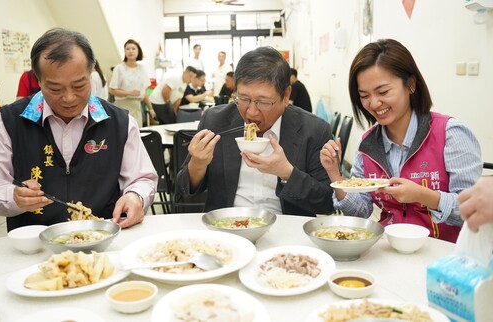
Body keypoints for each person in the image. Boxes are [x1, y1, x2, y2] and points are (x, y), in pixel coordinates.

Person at [0, 28, 158, 231]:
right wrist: (12, 196)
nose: (69, 98)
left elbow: (142, 177)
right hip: (35, 246)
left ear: (91, 74)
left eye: (79, 85)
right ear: (38, 81)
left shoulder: (120, 122)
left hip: (104, 243)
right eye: (55, 89)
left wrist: (135, 196)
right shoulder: (8, 122)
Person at [319, 39, 482, 243]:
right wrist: (335, 174)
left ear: (411, 85)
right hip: (389, 248)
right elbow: (360, 211)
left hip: (443, 254)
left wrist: (423, 195)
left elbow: (473, 211)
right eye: (364, 95)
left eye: (383, 92)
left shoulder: (450, 134)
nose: (374, 103)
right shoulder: (368, 145)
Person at [176, 46, 334, 216]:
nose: (251, 111)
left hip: (286, 230)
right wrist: (198, 164)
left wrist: (287, 172)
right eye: (243, 98)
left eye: (263, 101)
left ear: (286, 95)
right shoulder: (216, 121)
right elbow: (183, 191)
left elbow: (326, 203)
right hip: (226, 228)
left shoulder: (314, 130)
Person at [109, 39, 155, 127]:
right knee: (123, 134)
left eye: (133, 48)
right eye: (128, 49)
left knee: (137, 134)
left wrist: (151, 108)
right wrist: (129, 93)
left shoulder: (142, 69)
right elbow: (112, 90)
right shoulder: (119, 68)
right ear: (124, 51)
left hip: (136, 106)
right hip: (121, 106)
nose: (131, 51)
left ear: (138, 51)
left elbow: (144, 93)